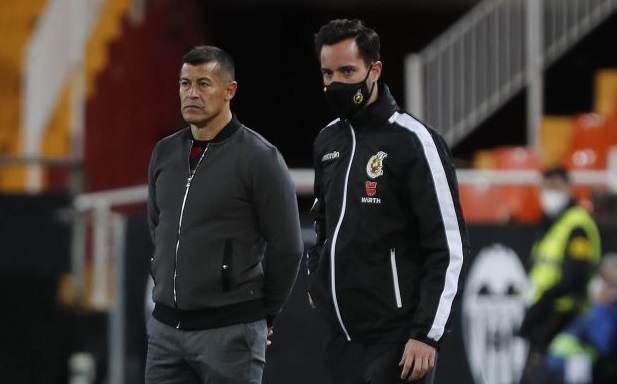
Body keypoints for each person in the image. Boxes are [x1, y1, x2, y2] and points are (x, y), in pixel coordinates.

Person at [306, 18, 469, 384]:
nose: (336, 84)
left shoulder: (415, 141)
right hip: (342, 337)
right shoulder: (327, 142)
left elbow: (449, 246)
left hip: (399, 343)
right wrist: (317, 277)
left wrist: (427, 333)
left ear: (374, 69)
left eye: (348, 71)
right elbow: (321, 222)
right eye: (328, 73)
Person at [145, 45, 303, 384]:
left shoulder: (260, 158)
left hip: (230, 332)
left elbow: (288, 247)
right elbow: (157, 227)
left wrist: (264, 314)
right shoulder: (165, 152)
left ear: (229, 90)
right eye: (185, 83)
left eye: (204, 83)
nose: (191, 93)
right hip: (165, 334)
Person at [519, 166, 602, 384]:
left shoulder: (577, 224)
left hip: (565, 316)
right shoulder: (550, 223)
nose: (549, 193)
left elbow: (577, 274)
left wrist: (546, 297)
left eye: (555, 186)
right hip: (543, 315)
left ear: (569, 187)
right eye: (546, 187)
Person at [544, 253, 617, 384]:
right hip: (562, 364)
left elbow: (604, 344)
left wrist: (603, 307)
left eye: (606, 282)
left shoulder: (605, 312)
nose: (599, 285)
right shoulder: (593, 310)